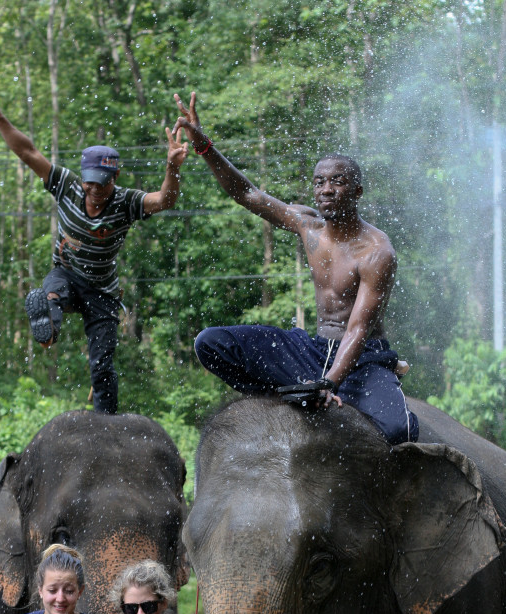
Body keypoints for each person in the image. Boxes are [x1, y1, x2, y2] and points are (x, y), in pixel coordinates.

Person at [173, 92, 419, 446]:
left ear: (357, 191)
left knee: (401, 431)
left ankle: (347, 386)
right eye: (319, 182)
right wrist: (204, 145)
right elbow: (248, 194)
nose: (326, 190)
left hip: (362, 358)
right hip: (313, 350)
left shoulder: (377, 251)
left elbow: (358, 328)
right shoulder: (308, 226)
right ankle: (291, 397)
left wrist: (329, 383)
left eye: (337, 181)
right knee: (210, 344)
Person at [0, 74, 188, 414]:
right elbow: (27, 152)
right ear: (83, 178)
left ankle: (107, 423)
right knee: (52, 292)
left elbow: (165, 200)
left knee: (102, 367)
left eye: (102, 185)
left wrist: (172, 168)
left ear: (115, 178)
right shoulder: (67, 186)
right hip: (66, 274)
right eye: (90, 184)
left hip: (103, 292)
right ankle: (49, 325)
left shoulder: (125, 202)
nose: (95, 192)